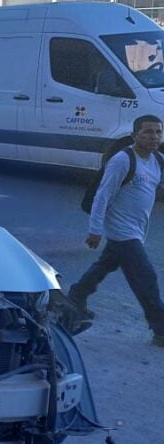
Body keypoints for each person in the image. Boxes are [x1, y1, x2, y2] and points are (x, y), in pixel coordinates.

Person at [69, 115, 164, 346]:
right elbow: (103, 196)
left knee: (106, 263)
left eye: (158, 133)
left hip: (137, 228)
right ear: (134, 136)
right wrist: (95, 229)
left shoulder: (158, 160)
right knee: (145, 278)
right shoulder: (122, 160)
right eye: (147, 132)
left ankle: (76, 296)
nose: (154, 137)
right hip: (122, 231)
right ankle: (160, 329)